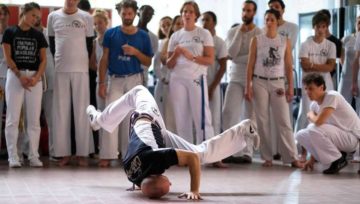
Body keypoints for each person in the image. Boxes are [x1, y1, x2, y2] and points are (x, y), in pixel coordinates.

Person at [86, 85, 259, 200]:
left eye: (167, 183)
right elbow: (138, 170)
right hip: (154, 138)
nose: (171, 183)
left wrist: (194, 190)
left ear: (159, 176)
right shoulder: (131, 174)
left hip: (147, 117)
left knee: (138, 90)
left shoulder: (157, 159)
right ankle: (245, 130)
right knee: (202, 154)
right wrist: (142, 186)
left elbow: (190, 159)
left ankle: (98, 120)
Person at [97, 0, 153, 167]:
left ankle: (129, 154)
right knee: (111, 114)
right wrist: (101, 82)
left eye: (130, 13)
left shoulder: (143, 36)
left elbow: (148, 61)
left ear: (135, 14)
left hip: (134, 79)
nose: (127, 16)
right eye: (124, 13)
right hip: (114, 78)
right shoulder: (111, 34)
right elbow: (104, 58)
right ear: (120, 13)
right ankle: (107, 154)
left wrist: (135, 52)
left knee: (132, 118)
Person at [245, 9, 302, 168]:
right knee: (262, 121)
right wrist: (248, 86)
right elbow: (250, 65)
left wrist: (291, 87)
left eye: (272, 20)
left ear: (278, 22)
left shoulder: (285, 41)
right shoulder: (256, 40)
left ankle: (292, 156)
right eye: (266, 20)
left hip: (278, 83)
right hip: (259, 82)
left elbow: (289, 66)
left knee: (284, 120)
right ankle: (267, 157)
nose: (269, 22)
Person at [47, 0, 94, 166]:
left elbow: (89, 44)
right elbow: (52, 43)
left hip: (81, 69)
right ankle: (63, 153)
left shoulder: (86, 17)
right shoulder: (53, 16)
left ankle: (82, 153)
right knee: (60, 112)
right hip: (60, 69)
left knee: (82, 111)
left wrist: (83, 62)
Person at [2, 2, 47, 167]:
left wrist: (36, 78)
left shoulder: (39, 35)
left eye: (38, 17)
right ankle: (13, 156)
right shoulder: (10, 31)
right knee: (13, 118)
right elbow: (8, 57)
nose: (35, 19)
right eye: (33, 15)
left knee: (34, 120)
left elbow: (43, 60)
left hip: (34, 77)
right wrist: (19, 75)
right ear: (24, 12)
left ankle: (33, 155)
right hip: (15, 76)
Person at [167, 1, 215, 145]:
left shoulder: (203, 33)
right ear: (181, 15)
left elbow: (210, 59)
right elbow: (169, 64)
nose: (187, 14)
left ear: (196, 15)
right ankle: (187, 152)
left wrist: (192, 57)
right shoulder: (175, 36)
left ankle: (207, 152)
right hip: (177, 78)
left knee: (202, 116)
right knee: (181, 117)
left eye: (190, 12)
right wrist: (176, 54)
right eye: (185, 12)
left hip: (196, 77)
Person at [222, 0, 262, 164]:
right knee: (228, 112)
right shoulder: (233, 31)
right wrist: (240, 31)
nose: (246, 13)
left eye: (249, 10)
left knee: (249, 115)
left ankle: (247, 152)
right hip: (235, 76)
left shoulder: (260, 32)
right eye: (244, 10)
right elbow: (230, 54)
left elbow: (258, 57)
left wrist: (243, 58)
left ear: (254, 13)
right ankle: (227, 150)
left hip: (254, 77)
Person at [296, 73, 360, 174]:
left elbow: (318, 122)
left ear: (321, 87)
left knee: (312, 127)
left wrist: (310, 115)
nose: (308, 92)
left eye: (311, 88)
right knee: (300, 135)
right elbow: (315, 133)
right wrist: (311, 160)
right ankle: (337, 157)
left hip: (352, 138)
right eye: (306, 88)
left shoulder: (332, 96)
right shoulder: (313, 105)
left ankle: (338, 160)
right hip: (339, 137)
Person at [294, 12, 336, 135]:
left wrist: (312, 65)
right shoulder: (305, 44)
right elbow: (305, 66)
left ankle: (323, 142)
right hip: (309, 84)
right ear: (314, 27)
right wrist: (321, 66)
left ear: (327, 27)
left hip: (326, 83)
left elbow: (330, 67)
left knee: (326, 113)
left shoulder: (331, 45)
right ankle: (299, 143)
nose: (321, 30)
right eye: (318, 27)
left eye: (324, 27)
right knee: (307, 112)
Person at [201, 11, 227, 136]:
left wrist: (212, 87)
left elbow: (223, 67)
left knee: (214, 118)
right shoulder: (198, 41)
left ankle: (216, 152)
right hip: (198, 84)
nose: (204, 23)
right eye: (202, 20)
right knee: (199, 118)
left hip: (213, 84)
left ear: (214, 23)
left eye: (207, 20)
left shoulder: (219, 42)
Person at [153, 16, 177, 132]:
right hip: (163, 83)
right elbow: (156, 65)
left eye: (168, 24)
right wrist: (163, 78)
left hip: (177, 82)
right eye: (163, 26)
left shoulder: (180, 40)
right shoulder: (160, 43)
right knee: (161, 113)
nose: (166, 27)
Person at [339, 16, 360, 104]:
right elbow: (341, 56)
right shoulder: (347, 39)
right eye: (359, 23)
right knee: (342, 103)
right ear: (355, 23)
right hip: (346, 76)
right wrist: (345, 67)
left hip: (358, 77)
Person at [137, 5, 158, 87]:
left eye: (150, 14)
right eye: (145, 12)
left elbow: (147, 60)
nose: (147, 16)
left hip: (142, 75)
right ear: (138, 13)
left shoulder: (153, 38)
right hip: (124, 74)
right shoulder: (127, 32)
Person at [0, 4, 10, 151]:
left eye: (4, 14)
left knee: (15, 116)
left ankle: (16, 151)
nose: (1, 17)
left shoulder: (13, 32)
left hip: (13, 78)